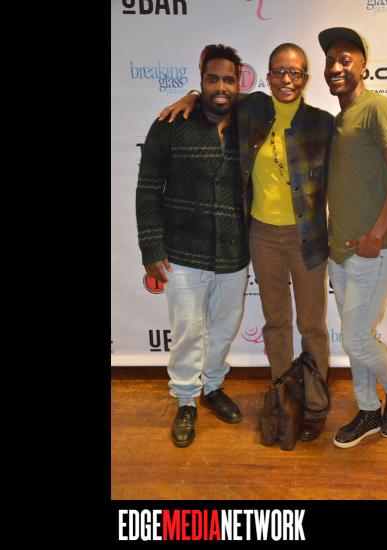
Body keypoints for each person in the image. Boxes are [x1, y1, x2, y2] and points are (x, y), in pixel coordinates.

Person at [159, 43, 334, 442]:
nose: (286, 79)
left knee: (311, 325)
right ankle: (285, 397)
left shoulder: (322, 123)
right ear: (267, 76)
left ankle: (314, 402)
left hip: (307, 237)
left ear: (305, 78)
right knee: (276, 323)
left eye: (295, 72)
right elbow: (216, 95)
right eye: (279, 71)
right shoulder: (252, 108)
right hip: (262, 235)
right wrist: (189, 95)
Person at [136, 44, 249, 448]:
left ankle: (213, 386)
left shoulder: (250, 122)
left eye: (229, 80)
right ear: (201, 80)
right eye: (212, 79)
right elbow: (148, 188)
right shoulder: (170, 124)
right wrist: (151, 246)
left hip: (234, 251)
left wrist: (191, 95)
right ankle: (186, 399)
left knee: (223, 329)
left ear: (239, 83)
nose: (221, 87)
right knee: (188, 331)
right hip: (182, 252)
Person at [316, 27, 387, 448]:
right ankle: (368, 410)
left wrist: (377, 236)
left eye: (345, 59)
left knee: (357, 338)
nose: (336, 67)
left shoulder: (378, 108)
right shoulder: (340, 120)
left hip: (374, 251)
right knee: (356, 339)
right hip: (342, 251)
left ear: (363, 65)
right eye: (330, 60)